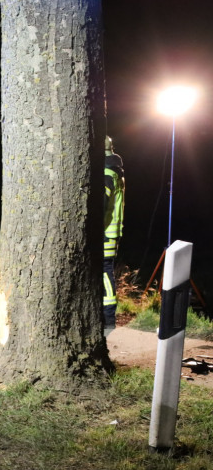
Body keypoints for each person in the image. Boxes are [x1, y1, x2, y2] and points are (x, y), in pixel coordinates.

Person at [103, 135, 125, 332]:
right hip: (111, 232)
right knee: (105, 271)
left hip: (105, 233)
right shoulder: (115, 172)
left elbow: (101, 204)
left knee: (104, 271)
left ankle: (108, 317)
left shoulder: (107, 174)